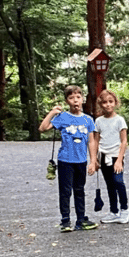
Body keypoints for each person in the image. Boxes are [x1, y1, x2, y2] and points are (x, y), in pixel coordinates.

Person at [39, 85, 99, 232]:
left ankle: (80, 219)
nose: (75, 101)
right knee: (65, 191)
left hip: (81, 160)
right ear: (67, 101)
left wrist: (93, 161)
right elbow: (43, 128)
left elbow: (91, 141)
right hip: (65, 160)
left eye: (78, 97)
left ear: (83, 99)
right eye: (71, 98)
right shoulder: (62, 117)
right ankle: (65, 220)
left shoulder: (88, 120)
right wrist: (52, 112)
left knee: (80, 190)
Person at [93, 89, 129, 224]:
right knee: (109, 184)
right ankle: (113, 211)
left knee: (118, 182)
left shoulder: (119, 120)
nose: (108, 105)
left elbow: (124, 141)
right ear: (100, 104)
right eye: (104, 102)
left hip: (116, 156)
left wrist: (119, 159)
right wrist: (94, 159)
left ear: (115, 103)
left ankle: (125, 209)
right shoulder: (98, 121)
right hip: (103, 156)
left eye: (110, 102)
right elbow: (95, 140)